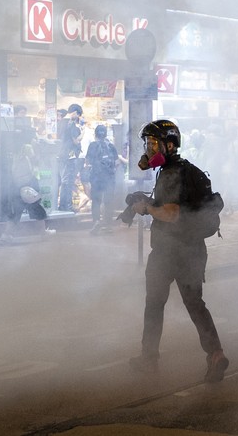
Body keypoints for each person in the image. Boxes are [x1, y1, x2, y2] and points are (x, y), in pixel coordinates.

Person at [127, 119, 229, 383]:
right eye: (147, 144)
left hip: (169, 252)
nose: (148, 150)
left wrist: (147, 209)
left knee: (154, 305)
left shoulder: (172, 173)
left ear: (169, 145)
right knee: (195, 305)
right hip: (192, 250)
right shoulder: (180, 170)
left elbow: (171, 214)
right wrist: (150, 202)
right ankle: (216, 354)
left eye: (153, 144)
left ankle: (149, 360)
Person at [2, 106, 55, 240]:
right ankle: (42, 233)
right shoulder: (26, 147)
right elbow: (35, 158)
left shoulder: (13, 146)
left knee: (17, 210)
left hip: (17, 182)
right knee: (36, 207)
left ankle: (7, 234)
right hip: (27, 181)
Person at [84, 124, 119, 234]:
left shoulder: (92, 146)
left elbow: (87, 162)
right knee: (108, 201)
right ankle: (108, 225)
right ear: (105, 134)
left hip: (96, 178)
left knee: (96, 201)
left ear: (95, 134)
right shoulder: (111, 146)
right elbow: (117, 163)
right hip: (109, 178)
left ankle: (96, 222)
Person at [57, 104, 83, 212]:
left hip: (61, 155)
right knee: (67, 182)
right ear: (75, 113)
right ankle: (66, 207)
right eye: (78, 115)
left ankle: (63, 206)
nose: (78, 118)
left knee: (64, 181)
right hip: (69, 156)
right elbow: (76, 141)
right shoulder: (71, 124)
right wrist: (83, 132)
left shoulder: (61, 122)